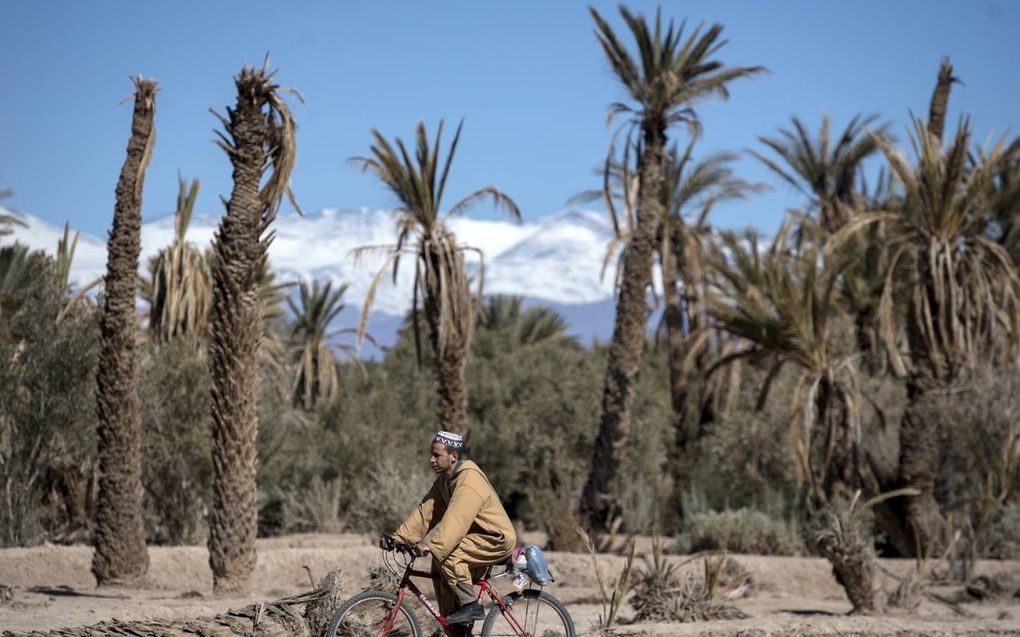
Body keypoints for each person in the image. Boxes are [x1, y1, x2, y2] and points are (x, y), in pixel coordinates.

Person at [383, 431, 517, 625]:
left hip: (495, 539)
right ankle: (456, 624)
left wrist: (432, 545)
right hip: (474, 539)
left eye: (437, 455)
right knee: (439, 566)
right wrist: (399, 539)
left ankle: (470, 605)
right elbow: (425, 513)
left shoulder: (469, 480)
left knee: (449, 555)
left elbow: (457, 519)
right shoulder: (444, 481)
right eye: (431, 454)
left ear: (453, 457)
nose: (431, 460)